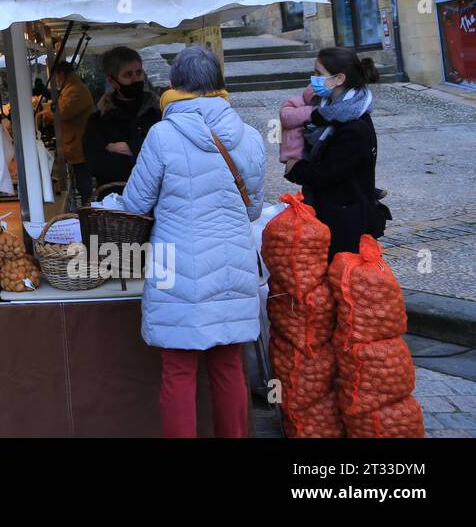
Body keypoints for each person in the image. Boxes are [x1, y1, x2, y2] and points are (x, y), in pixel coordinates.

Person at [120, 45, 265, 438]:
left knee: (179, 370)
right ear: (219, 86)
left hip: (173, 263)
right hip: (233, 259)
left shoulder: (162, 135)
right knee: (229, 365)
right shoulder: (250, 136)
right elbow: (253, 210)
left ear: (172, 86)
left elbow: (135, 204)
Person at [283, 48, 381, 257]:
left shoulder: (354, 126)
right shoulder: (329, 112)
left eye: (319, 74)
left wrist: (295, 168)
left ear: (339, 79)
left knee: (342, 279)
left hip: (345, 221)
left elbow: (328, 174)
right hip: (333, 213)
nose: (313, 79)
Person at [82, 46, 161, 189]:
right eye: (128, 75)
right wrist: (144, 155)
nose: (135, 79)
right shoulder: (98, 121)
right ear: (112, 81)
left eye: (138, 72)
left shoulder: (157, 112)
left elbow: (169, 156)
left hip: (157, 201)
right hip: (115, 202)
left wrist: (130, 148)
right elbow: (96, 166)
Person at [39, 61, 95, 201]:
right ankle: (86, 205)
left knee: (83, 180)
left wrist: (46, 112)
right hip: (75, 141)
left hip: (80, 142)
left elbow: (63, 113)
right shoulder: (71, 88)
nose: (57, 80)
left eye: (57, 76)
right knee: (80, 178)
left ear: (61, 74)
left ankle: (88, 206)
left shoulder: (76, 89)